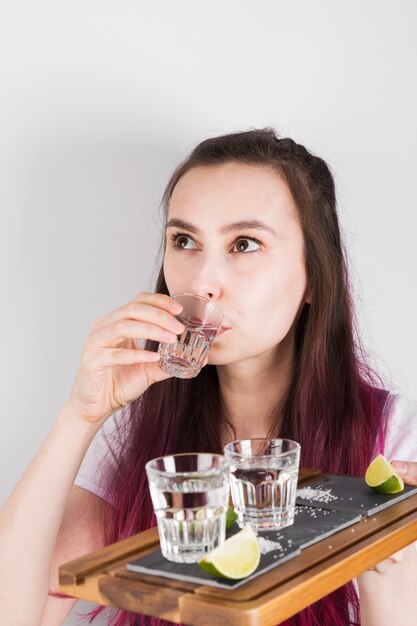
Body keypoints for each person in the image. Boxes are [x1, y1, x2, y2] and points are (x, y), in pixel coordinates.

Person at [0, 128, 416, 626]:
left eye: (244, 243)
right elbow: (17, 612)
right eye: (184, 241)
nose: (201, 282)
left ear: (314, 275)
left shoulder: (394, 443)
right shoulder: (140, 437)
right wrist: (80, 416)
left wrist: (388, 571)